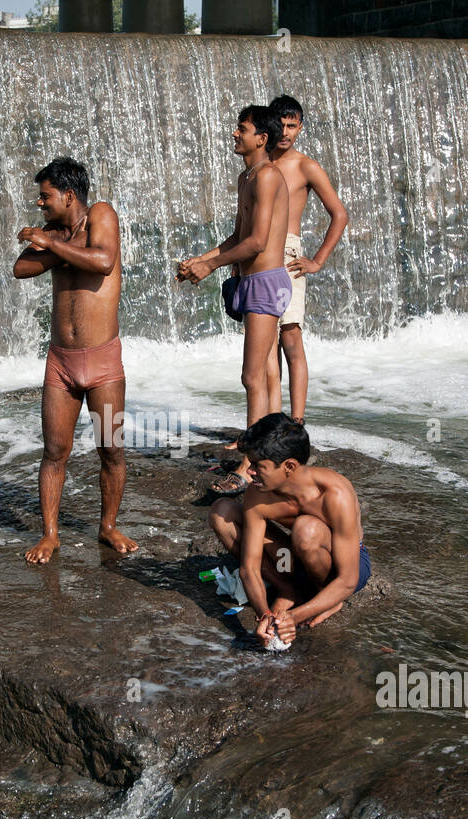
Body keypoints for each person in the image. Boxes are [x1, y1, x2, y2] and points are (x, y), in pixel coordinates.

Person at [13, 156, 138, 564]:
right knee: (54, 451)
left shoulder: (101, 213)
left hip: (103, 363)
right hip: (61, 363)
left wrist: (52, 245)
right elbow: (20, 269)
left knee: (112, 449)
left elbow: (103, 260)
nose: (40, 203)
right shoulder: (55, 233)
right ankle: (50, 534)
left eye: (45, 196)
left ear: (69, 195)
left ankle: (107, 526)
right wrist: (56, 247)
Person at [177, 105, 291, 495]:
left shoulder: (269, 177)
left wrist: (211, 268)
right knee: (259, 376)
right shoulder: (248, 177)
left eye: (241, 129)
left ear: (261, 138)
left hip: (266, 282)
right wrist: (203, 260)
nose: (234, 134)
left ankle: (248, 466)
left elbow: (258, 242)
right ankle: (265, 453)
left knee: (252, 376)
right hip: (253, 281)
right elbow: (237, 238)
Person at [208, 413, 371, 651]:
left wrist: (294, 616)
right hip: (294, 558)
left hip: (344, 567)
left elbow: (348, 579)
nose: (250, 471)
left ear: (289, 466)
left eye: (257, 466)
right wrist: (263, 613)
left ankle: (323, 598)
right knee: (222, 510)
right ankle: (288, 589)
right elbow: (249, 568)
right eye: (250, 463)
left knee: (308, 528)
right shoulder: (258, 492)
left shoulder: (335, 494)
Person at [264, 95, 348, 425]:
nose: (285, 132)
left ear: (301, 127)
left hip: (287, 255)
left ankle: (296, 422)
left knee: (291, 336)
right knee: (264, 343)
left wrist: (317, 260)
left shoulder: (305, 166)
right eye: (280, 125)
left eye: (292, 126)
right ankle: (266, 423)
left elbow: (339, 214)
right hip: (259, 254)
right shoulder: (262, 160)